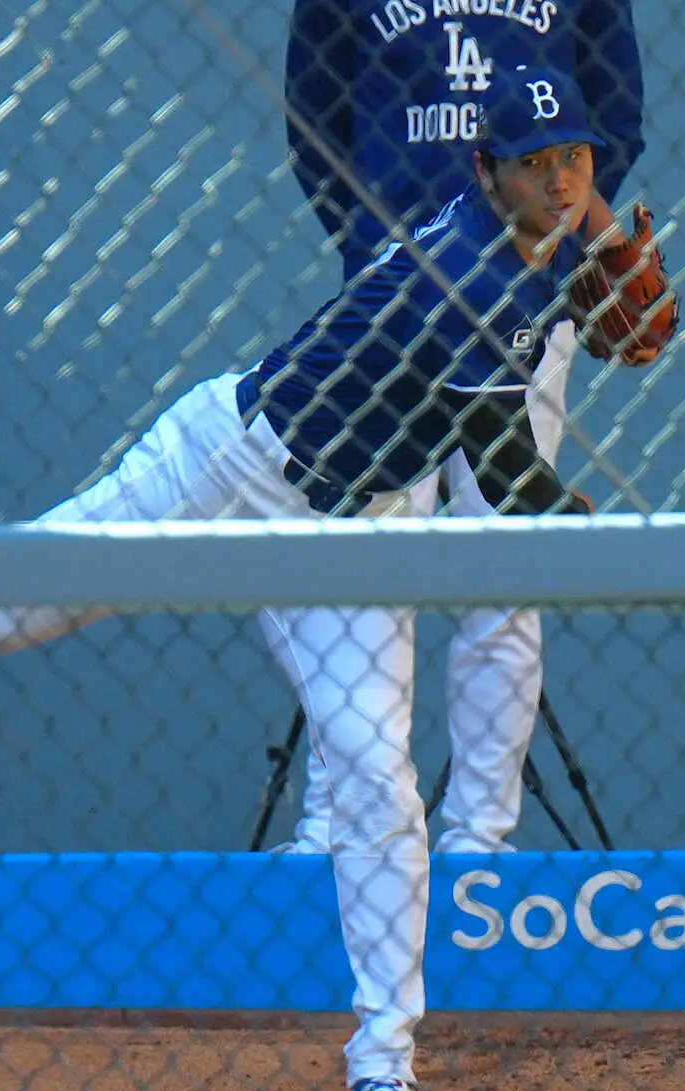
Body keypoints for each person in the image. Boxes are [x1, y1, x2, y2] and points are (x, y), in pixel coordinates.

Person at [0, 70, 647, 1091]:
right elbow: (505, 473)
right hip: (232, 465)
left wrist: (591, 273)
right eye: (535, 163)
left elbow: (564, 287)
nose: (561, 182)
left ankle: (383, 1069)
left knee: (377, 779)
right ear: (485, 172)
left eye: (574, 157)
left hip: (350, 527)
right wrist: (619, 536)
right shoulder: (464, 275)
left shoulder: (542, 240)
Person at [274, 0, 645, 856]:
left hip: (522, 300)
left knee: (504, 568)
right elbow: (313, 116)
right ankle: (342, 825)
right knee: (367, 568)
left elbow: (615, 113)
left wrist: (553, 239)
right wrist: (372, 244)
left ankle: (479, 838)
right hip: (393, 305)